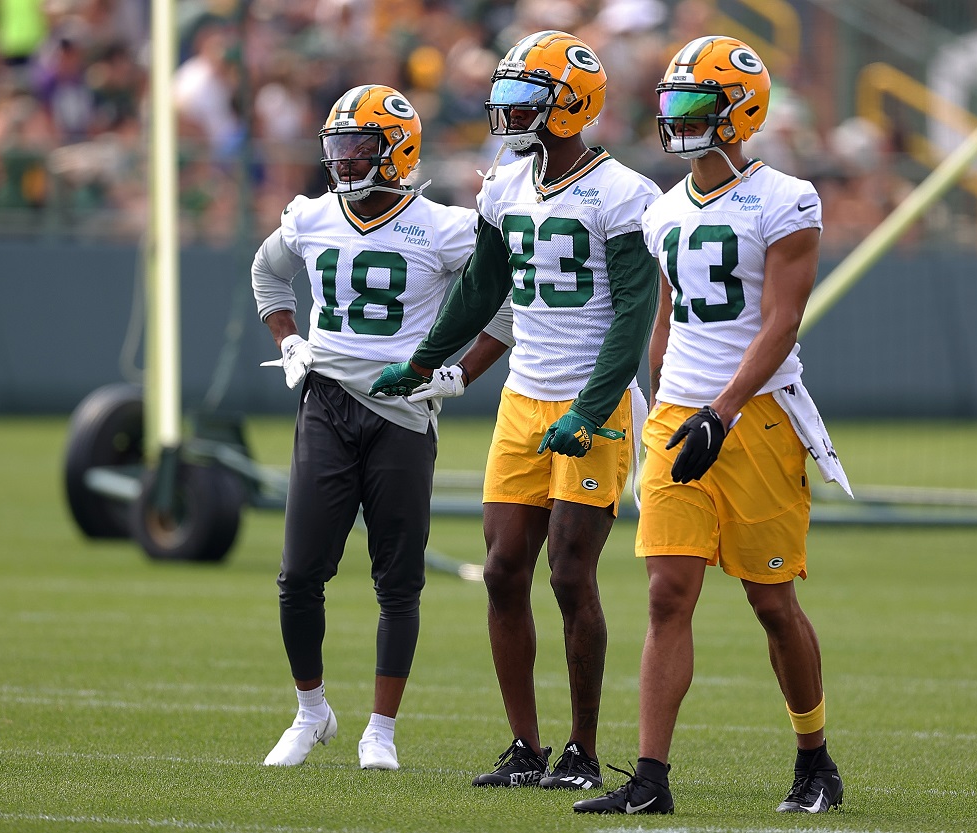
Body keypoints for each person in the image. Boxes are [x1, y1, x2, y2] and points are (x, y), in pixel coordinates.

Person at [370, 30, 661, 791]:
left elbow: (633, 314)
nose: (511, 111)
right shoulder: (504, 185)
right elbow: (480, 288)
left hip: (589, 401)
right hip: (524, 397)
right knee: (503, 570)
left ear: (571, 105)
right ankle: (525, 746)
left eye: (528, 97)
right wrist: (427, 358)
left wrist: (595, 410)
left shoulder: (625, 193)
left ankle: (583, 750)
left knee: (570, 573)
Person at [573, 35, 853, 816]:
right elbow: (665, 321)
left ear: (741, 111)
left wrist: (719, 413)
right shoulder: (663, 211)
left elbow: (781, 324)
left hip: (756, 420)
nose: (680, 119)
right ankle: (650, 777)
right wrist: (667, 404)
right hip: (681, 418)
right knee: (667, 591)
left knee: (771, 601)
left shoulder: (787, 198)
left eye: (697, 103)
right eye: (672, 105)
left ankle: (814, 756)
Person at [252, 84, 478, 770]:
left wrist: (458, 372)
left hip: (402, 413)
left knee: (398, 578)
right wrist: (290, 340)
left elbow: (499, 303)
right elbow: (268, 275)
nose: (343, 161)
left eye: (357, 148)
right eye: (337, 148)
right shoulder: (311, 217)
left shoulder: (442, 227)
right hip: (325, 401)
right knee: (298, 573)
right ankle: (311, 711)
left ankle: (380, 728)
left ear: (397, 149)